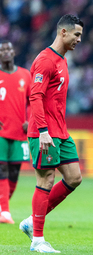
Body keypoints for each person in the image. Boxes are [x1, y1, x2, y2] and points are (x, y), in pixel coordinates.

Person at [18, 14, 83, 253]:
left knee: (74, 177)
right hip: (44, 131)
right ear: (63, 32)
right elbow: (35, 96)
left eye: (81, 36)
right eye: (76, 34)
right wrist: (43, 131)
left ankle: (30, 221)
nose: (79, 40)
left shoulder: (62, 60)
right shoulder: (45, 60)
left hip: (61, 132)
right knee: (45, 179)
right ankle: (37, 240)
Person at [0, 40, 31, 224]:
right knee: (2, 168)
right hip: (1, 132)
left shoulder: (25, 75)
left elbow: (33, 101)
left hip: (20, 131)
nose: (5, 52)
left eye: (8, 49)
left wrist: (30, 119)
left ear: (14, 52)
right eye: (2, 49)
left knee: (14, 172)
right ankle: (5, 211)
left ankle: (3, 207)